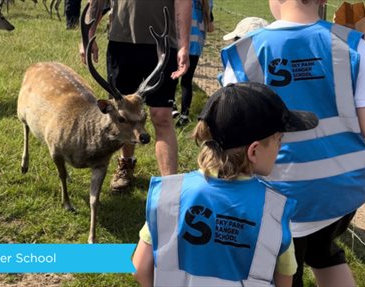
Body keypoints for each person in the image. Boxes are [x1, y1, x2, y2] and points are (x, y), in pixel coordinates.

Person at [220, 1, 365, 286]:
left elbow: (231, 129)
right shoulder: (353, 45)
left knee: (284, 269)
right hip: (342, 191)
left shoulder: (246, 52)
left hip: (278, 192)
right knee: (323, 252)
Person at [132, 82, 319, 287]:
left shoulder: (171, 196)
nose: (280, 146)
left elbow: (140, 268)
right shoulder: (273, 212)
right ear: (254, 151)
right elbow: (285, 281)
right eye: (278, 139)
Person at [81, 0, 191, 191]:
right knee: (123, 112)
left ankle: (170, 186)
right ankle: (126, 164)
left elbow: (183, 2)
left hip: (162, 48)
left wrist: (183, 46)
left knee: (162, 117)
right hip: (122, 43)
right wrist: (88, 36)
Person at [172, 0, 214, 127]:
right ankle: (184, 115)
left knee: (173, 74)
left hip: (179, 42)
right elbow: (210, 28)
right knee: (187, 81)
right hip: (196, 45)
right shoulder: (208, 2)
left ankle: (171, 105)